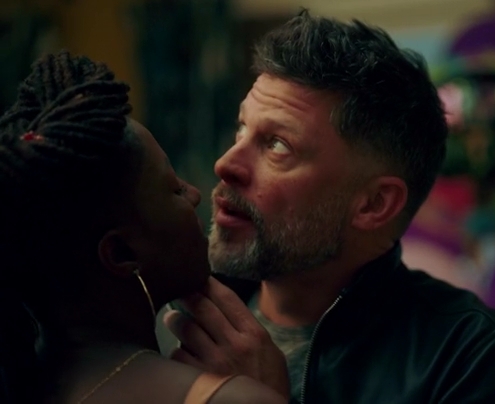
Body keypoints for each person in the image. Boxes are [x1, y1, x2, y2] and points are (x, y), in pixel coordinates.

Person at [164, 10, 495, 404]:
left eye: (277, 144)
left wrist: (263, 400)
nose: (226, 164)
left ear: (374, 204)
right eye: (241, 129)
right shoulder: (171, 310)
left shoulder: (472, 360)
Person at [0, 51, 285, 404]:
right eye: (174, 189)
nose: (195, 194)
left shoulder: (24, 382)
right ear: (122, 253)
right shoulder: (235, 398)